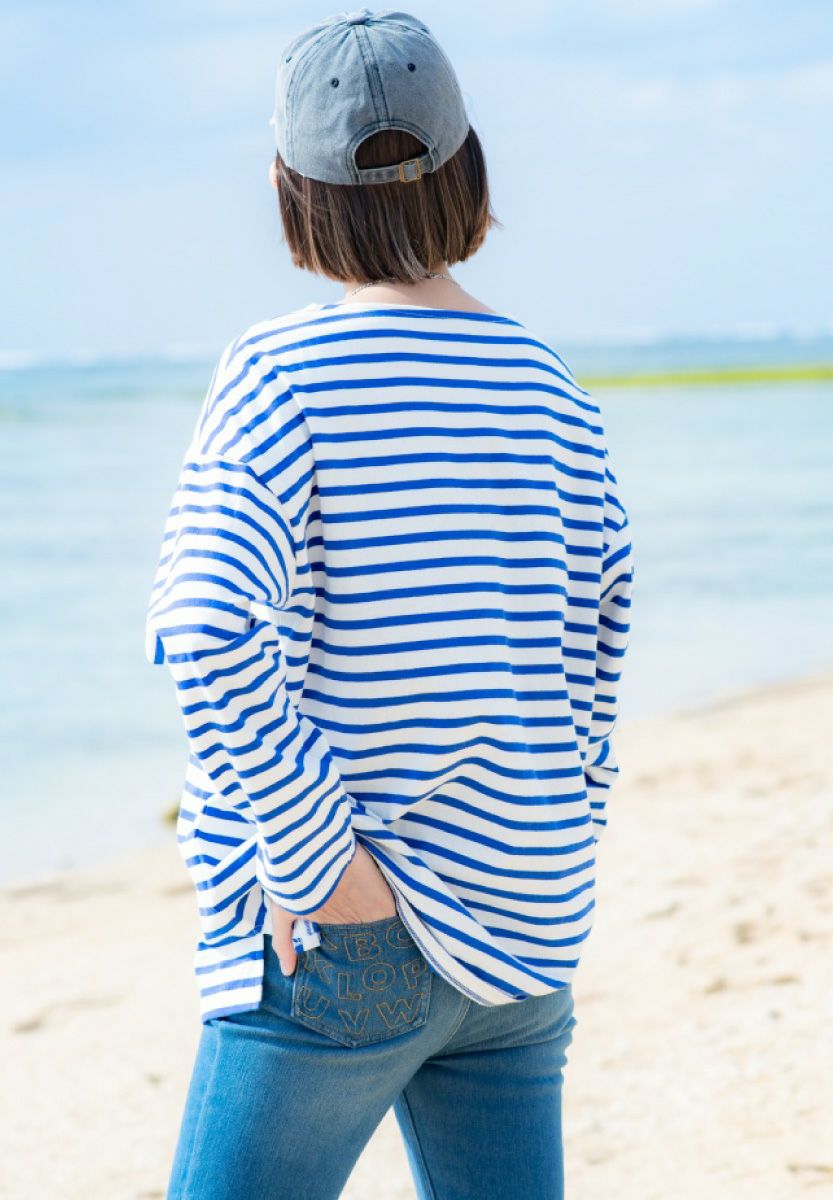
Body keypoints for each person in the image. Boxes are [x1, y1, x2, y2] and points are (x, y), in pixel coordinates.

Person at [144, 9, 634, 1199]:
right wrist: (557, 836)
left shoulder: (280, 374)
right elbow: (599, 633)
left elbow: (206, 630)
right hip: (528, 921)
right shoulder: (548, 384)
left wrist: (321, 870)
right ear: (468, 168)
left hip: (350, 936)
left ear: (291, 190)